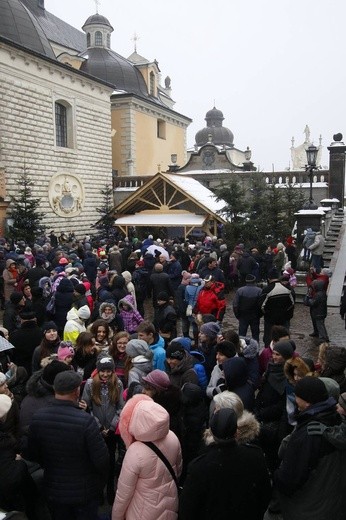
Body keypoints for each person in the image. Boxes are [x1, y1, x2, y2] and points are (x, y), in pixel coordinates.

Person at [26, 371, 109, 520]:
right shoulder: (86, 421)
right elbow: (102, 460)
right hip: (84, 493)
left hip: (53, 489)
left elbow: (32, 454)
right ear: (77, 391)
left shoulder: (38, 418)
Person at [179, 408, 271, 520]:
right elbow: (265, 494)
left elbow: (188, 509)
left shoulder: (198, 467)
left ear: (211, 432)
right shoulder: (255, 455)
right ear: (237, 432)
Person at [274, 376, 343, 520]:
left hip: (307, 508)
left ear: (307, 401)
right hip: (330, 503)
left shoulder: (309, 433)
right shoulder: (335, 418)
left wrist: (276, 476)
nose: (295, 399)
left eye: (297, 396)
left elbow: (289, 479)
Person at [112, 394, 182, 520]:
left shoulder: (135, 451)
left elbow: (124, 494)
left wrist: (116, 517)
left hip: (142, 512)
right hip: (170, 506)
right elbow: (178, 470)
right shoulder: (173, 437)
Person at [82, 356, 124, 505]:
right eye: (102, 371)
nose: (105, 374)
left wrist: (112, 426)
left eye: (108, 371)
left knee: (111, 460)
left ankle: (111, 488)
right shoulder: (90, 384)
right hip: (96, 430)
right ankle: (99, 490)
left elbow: (120, 407)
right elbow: (87, 407)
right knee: (96, 461)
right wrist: (99, 426)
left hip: (111, 431)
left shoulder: (117, 384)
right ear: (98, 371)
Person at [259, 267, 295, 347]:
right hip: (284, 318)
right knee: (283, 338)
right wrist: (287, 314)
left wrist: (268, 314)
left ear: (268, 278)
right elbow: (292, 303)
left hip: (270, 320)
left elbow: (262, 306)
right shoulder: (287, 289)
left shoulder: (267, 290)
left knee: (269, 338)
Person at [232, 273, 262, 341]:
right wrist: (259, 315)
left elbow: (235, 304)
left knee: (241, 336)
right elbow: (262, 305)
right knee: (255, 335)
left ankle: (241, 349)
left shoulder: (240, 290)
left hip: (243, 316)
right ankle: (256, 349)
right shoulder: (259, 291)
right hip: (255, 316)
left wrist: (237, 315)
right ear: (254, 281)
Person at [304, 279, 329, 343]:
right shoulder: (322, 293)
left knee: (320, 325)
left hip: (318, 312)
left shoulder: (318, 295)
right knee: (318, 324)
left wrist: (308, 299)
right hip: (320, 312)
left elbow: (313, 303)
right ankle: (317, 333)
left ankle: (323, 337)